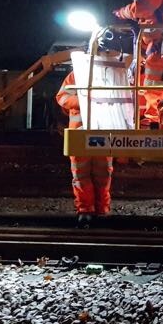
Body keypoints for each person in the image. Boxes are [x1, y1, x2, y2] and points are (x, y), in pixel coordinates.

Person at [55, 70, 113, 219]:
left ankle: (100, 210)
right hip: (81, 134)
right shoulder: (76, 74)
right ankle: (86, 209)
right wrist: (82, 101)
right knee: (82, 174)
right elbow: (61, 96)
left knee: (103, 173)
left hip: (101, 132)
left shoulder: (111, 73)